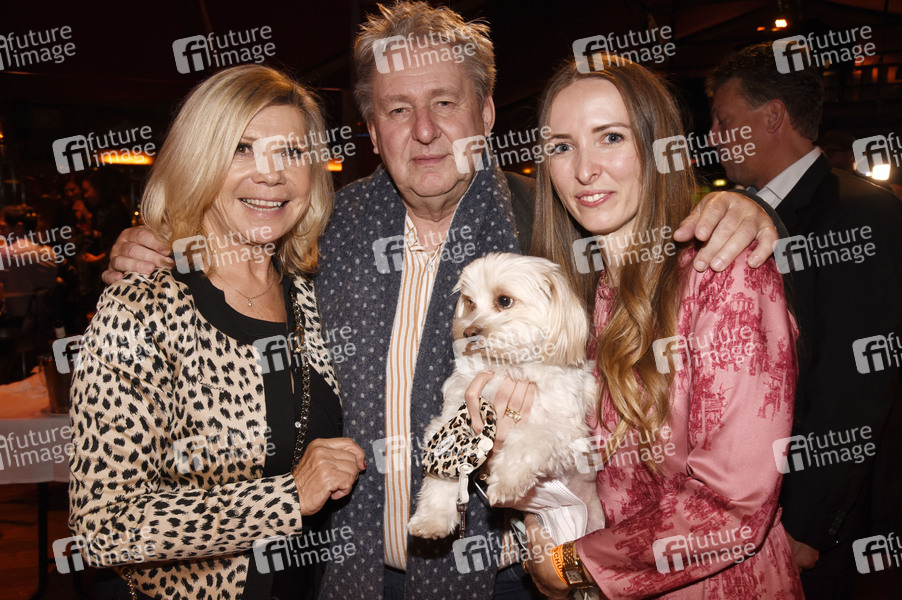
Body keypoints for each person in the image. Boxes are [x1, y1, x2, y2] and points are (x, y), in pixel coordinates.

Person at [101, 3, 784, 598]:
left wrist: (750, 210)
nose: (424, 130)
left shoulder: (550, 224)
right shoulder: (318, 230)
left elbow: (655, 243)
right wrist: (156, 238)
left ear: (485, 113)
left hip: (510, 578)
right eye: (398, 109)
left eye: (446, 103)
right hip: (343, 573)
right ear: (372, 129)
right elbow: (234, 242)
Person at [67, 65, 365, 600]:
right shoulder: (141, 308)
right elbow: (103, 528)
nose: (271, 175)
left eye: (292, 152)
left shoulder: (312, 294)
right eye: (242, 149)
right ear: (198, 161)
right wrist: (286, 498)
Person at [513, 55, 803, 598]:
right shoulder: (573, 296)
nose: (585, 170)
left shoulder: (724, 274)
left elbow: (733, 503)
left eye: (611, 137)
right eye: (562, 147)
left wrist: (573, 564)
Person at [709, 43, 902, 599]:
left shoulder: (861, 211)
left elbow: (855, 383)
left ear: (773, 117)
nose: (713, 137)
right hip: (749, 512)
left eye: (724, 121)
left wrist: (807, 524)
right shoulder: (737, 213)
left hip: (824, 529)